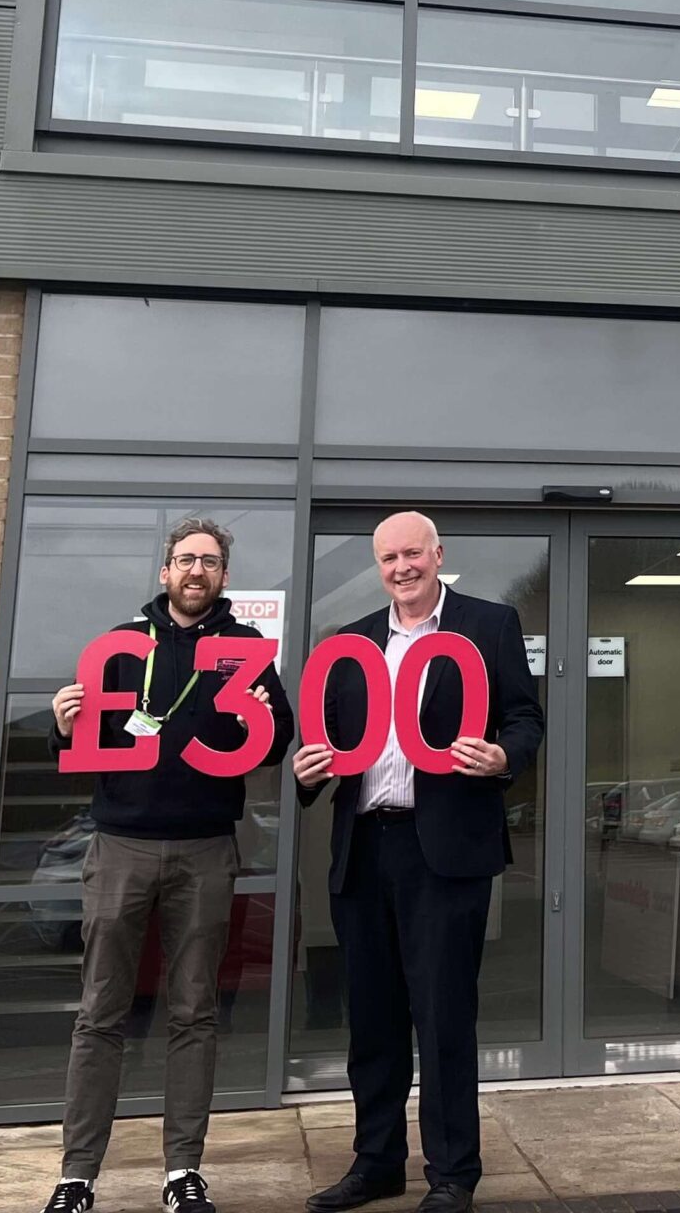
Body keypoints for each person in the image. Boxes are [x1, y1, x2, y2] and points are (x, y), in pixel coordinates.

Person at [43, 518, 296, 1213]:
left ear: (222, 575)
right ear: (165, 571)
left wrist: (259, 716)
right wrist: (62, 722)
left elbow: (278, 743)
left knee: (194, 1012)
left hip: (206, 849)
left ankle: (183, 1171)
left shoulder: (245, 650)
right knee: (101, 1013)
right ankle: (77, 1175)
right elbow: (78, 742)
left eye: (210, 561)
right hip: (119, 846)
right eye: (186, 559)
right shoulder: (119, 648)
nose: (196, 571)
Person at [295, 512, 544, 1213]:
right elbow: (330, 742)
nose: (401, 567)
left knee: (442, 1018)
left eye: (412, 553)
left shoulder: (489, 626)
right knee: (370, 1021)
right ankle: (376, 1164)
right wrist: (307, 772)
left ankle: (452, 1174)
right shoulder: (350, 644)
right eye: (387, 558)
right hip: (365, 847)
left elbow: (526, 717)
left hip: (445, 851)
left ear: (437, 555)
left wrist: (504, 757)